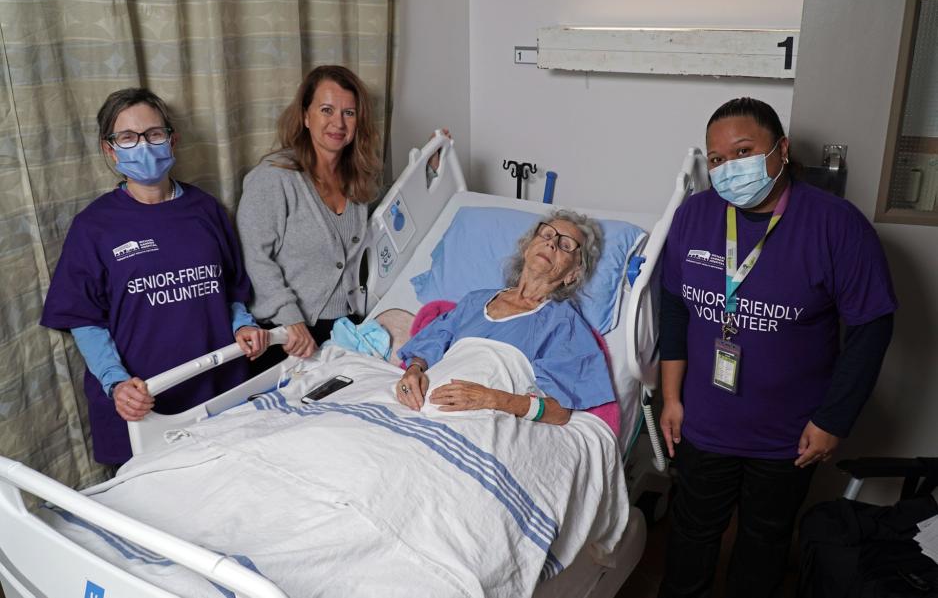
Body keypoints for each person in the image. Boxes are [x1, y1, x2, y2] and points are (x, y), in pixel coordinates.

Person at [656, 97, 897, 598]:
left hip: (789, 435)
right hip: (704, 422)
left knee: (764, 542)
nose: (729, 168)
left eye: (743, 151)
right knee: (691, 536)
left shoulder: (836, 225)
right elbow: (676, 308)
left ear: (781, 150)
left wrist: (834, 419)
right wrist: (672, 399)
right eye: (718, 159)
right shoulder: (694, 216)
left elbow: (872, 326)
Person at [41, 88, 269, 466]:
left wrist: (243, 325)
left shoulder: (206, 210)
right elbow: (84, 319)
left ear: (172, 139)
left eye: (154, 134)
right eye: (128, 137)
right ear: (110, 150)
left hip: (218, 389)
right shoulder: (94, 227)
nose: (143, 146)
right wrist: (115, 381)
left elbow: (229, 289)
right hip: (142, 403)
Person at [395, 210, 615, 424]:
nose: (552, 244)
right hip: (418, 405)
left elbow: (559, 412)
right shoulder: (474, 301)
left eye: (565, 246)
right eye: (547, 235)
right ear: (527, 247)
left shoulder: (563, 322)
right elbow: (426, 349)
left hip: (478, 419)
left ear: (572, 274)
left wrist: (491, 398)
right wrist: (413, 372)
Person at [237, 65, 383, 364]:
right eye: (326, 110)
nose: (338, 123)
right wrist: (290, 319)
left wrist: (430, 170)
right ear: (305, 116)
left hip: (347, 329)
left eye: (349, 113)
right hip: (290, 335)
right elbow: (254, 258)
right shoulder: (274, 178)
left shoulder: (357, 180)